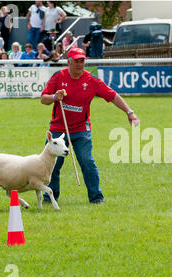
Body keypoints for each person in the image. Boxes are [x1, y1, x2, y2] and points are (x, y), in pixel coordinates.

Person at [40, 47, 139, 205]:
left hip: (81, 130)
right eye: (76, 61)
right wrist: (54, 97)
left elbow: (112, 96)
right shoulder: (58, 76)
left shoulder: (91, 80)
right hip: (58, 129)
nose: (80, 64)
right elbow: (43, 99)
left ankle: (96, 198)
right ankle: (49, 197)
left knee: (87, 161)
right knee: (51, 164)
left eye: (82, 61)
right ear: (69, 62)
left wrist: (129, 112)